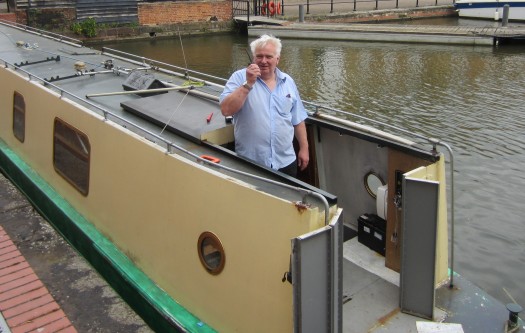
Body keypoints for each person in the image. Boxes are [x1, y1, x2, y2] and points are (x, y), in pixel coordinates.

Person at [219, 34, 309, 177]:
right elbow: (226, 110)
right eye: (259, 56)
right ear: (253, 58)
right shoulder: (239, 78)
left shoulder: (288, 82)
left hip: (285, 161)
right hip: (252, 162)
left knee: (285, 199)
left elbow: (297, 119)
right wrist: (248, 84)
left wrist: (304, 148)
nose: (264, 61)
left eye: (269, 57)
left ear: (277, 59)